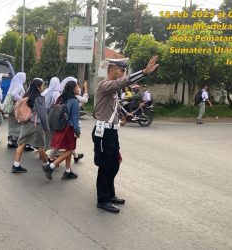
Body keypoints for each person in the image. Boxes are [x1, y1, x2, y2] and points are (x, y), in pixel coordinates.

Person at [92, 56, 158, 213]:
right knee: (105, 166)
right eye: (122, 70)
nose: (124, 73)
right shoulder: (105, 85)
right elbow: (122, 82)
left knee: (114, 164)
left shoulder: (112, 92)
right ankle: (103, 200)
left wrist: (126, 115)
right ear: (112, 70)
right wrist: (144, 72)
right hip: (103, 133)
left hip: (112, 132)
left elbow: (116, 106)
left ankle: (110, 194)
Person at [43, 80, 81, 180]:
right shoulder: (74, 101)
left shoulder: (61, 98)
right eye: (77, 87)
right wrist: (77, 131)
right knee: (70, 150)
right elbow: (75, 118)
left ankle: (67, 171)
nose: (79, 89)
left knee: (68, 148)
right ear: (73, 89)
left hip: (60, 126)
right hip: (69, 128)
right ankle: (50, 166)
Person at [11, 78, 50, 173]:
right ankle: (47, 166)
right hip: (37, 124)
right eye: (42, 86)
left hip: (26, 122)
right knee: (41, 145)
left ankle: (16, 165)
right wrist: (46, 127)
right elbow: (43, 114)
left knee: (21, 143)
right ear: (38, 87)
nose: (43, 87)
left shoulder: (26, 96)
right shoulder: (39, 98)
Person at [6, 72, 26, 148]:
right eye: (24, 77)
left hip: (13, 107)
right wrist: (22, 99)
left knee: (12, 123)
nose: (25, 79)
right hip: (17, 107)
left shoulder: (14, 84)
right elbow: (14, 94)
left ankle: (11, 141)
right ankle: (14, 139)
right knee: (18, 123)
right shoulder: (19, 85)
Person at [42, 77, 61, 150]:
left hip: (44, 112)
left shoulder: (46, 91)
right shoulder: (57, 93)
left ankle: (45, 148)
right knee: (53, 131)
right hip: (52, 113)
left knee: (46, 131)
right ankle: (51, 149)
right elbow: (57, 104)